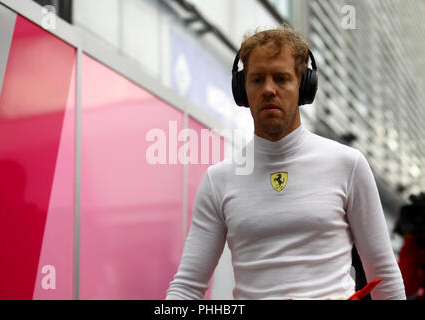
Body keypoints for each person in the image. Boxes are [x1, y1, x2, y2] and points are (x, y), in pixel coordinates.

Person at [165, 25, 405, 300]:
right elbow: (186, 287)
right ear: (242, 91)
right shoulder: (218, 180)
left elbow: (384, 274)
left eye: (281, 79)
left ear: (303, 86)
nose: (268, 89)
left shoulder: (348, 164)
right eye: (257, 79)